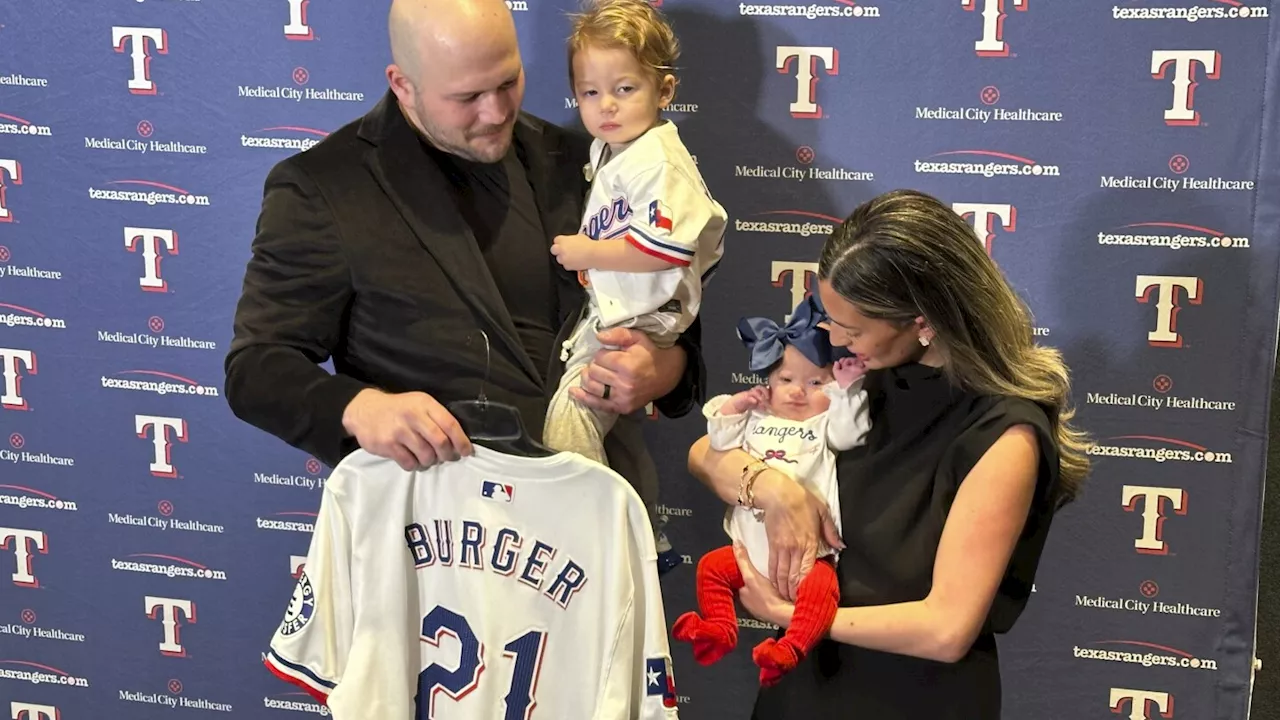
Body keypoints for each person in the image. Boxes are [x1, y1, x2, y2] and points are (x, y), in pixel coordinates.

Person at [224, 0, 704, 515]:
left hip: (594, 522)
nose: (496, 112)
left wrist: (665, 368)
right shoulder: (324, 188)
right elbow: (256, 369)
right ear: (402, 84)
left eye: (507, 82)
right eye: (468, 97)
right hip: (435, 537)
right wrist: (360, 408)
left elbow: (670, 308)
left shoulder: (584, 159)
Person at [687, 189, 1092, 718]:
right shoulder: (859, 382)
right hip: (801, 687)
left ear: (922, 320)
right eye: (825, 318)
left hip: (911, 699)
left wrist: (795, 616)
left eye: (850, 328)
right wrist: (773, 488)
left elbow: (946, 629)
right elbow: (704, 452)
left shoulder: (1004, 434)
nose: (831, 338)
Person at [543, 0, 726, 467]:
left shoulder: (657, 159)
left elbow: (659, 251)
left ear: (664, 90)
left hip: (644, 315)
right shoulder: (613, 146)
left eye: (624, 88)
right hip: (623, 307)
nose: (606, 105)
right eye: (589, 92)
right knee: (575, 410)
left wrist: (588, 251)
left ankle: (586, 521)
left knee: (571, 414)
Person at [671, 296, 870, 688]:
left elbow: (851, 433)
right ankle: (719, 627)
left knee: (822, 587)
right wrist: (737, 406)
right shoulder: (756, 418)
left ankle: (791, 647)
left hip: (808, 557)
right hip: (749, 548)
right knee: (712, 567)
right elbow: (717, 443)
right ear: (768, 381)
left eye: (816, 382)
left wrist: (847, 391)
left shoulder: (824, 425)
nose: (798, 392)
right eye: (786, 380)